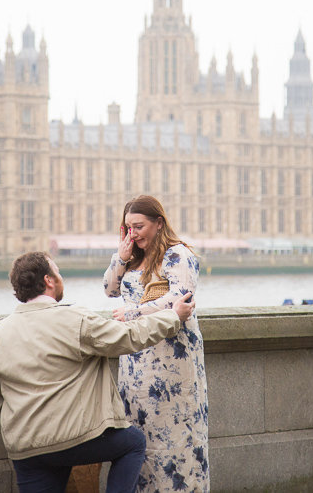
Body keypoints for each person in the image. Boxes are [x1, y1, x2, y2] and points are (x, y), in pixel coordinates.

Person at [0, 251, 196, 493]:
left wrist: (25, 429)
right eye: (58, 272)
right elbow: (129, 336)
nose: (60, 276)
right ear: (49, 280)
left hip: (26, 448)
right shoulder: (74, 319)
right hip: (74, 439)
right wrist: (172, 316)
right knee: (133, 443)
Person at [103, 195, 209, 493]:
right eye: (128, 228)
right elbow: (109, 289)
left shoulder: (178, 255)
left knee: (176, 440)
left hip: (171, 364)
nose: (133, 234)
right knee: (140, 440)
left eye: (139, 226)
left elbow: (181, 297)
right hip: (136, 364)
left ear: (159, 223)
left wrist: (133, 313)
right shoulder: (132, 257)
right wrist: (121, 257)